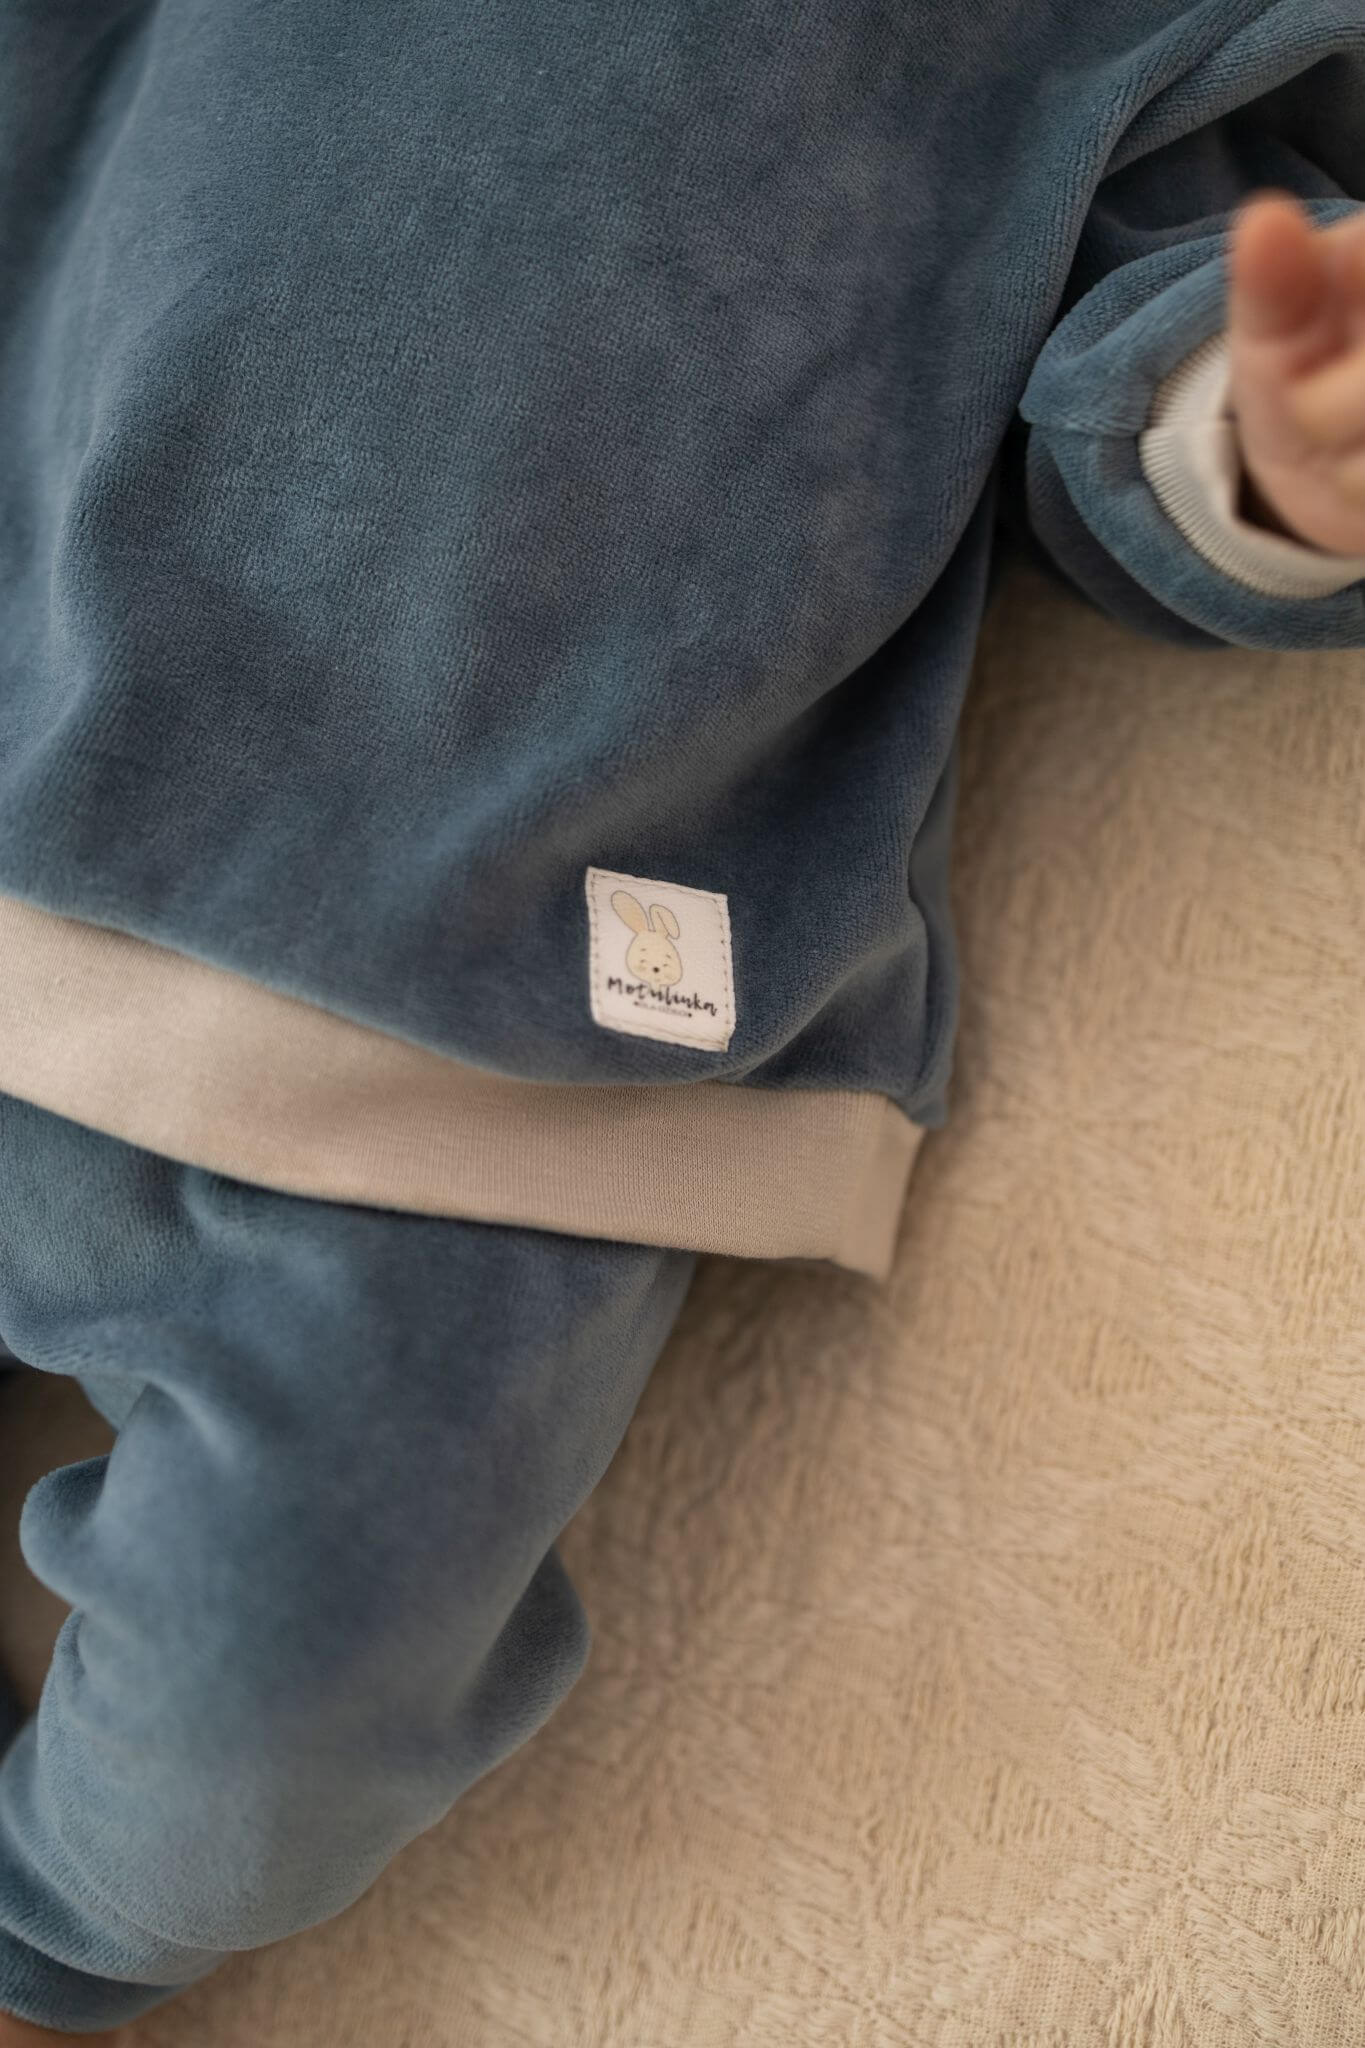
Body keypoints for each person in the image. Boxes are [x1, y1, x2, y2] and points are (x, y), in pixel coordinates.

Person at [0, 2, 1362, 2037]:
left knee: (248, 1741)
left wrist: (1262, 434)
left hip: (502, 1053)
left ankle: (43, 1949)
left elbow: (1148, 369)